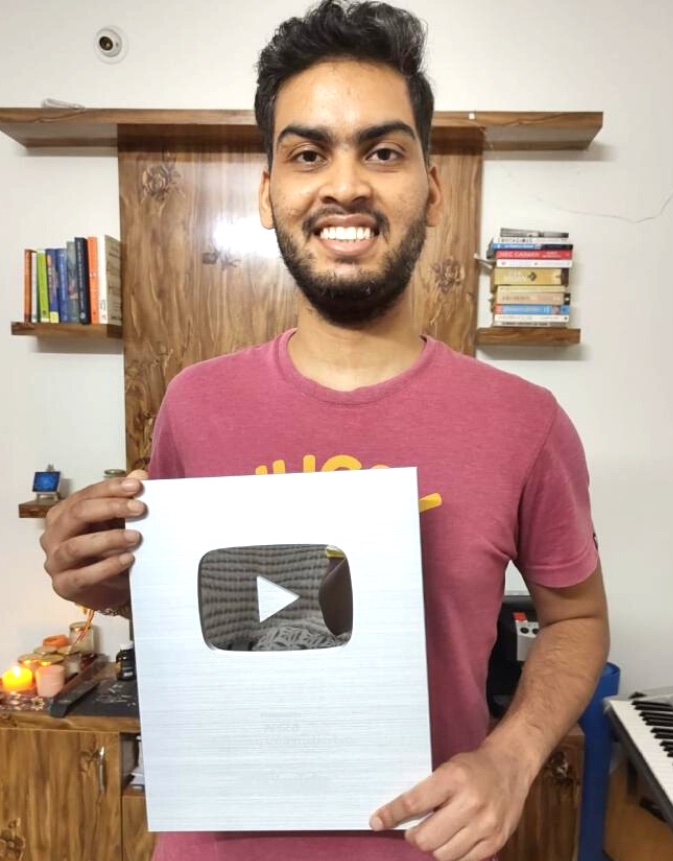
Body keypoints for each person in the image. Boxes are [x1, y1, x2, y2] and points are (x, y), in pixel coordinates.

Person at [40, 2, 610, 860]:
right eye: (308, 154)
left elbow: (577, 618)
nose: (345, 185)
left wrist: (512, 754)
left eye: (383, 151)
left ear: (432, 189)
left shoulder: (524, 422)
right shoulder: (194, 404)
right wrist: (98, 575)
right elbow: (206, 609)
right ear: (268, 193)